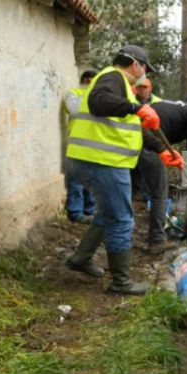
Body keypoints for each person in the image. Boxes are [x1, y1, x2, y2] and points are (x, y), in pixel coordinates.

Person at [65, 44, 161, 295]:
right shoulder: (113, 77)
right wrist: (137, 108)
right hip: (103, 162)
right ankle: (121, 281)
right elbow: (99, 102)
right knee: (121, 219)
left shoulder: (119, 85)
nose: (144, 74)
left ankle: (80, 258)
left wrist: (163, 151)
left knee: (109, 213)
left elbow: (131, 128)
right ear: (135, 64)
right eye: (144, 68)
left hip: (91, 159)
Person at [132, 95, 187, 254]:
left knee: (131, 191)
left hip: (131, 139)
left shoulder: (176, 105)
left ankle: (123, 235)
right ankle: (156, 241)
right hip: (149, 143)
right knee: (159, 193)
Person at [63, 70, 97, 224]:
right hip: (76, 146)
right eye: (86, 80)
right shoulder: (73, 94)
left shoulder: (100, 98)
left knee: (91, 181)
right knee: (76, 182)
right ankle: (75, 212)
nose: (89, 83)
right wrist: (91, 94)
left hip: (95, 146)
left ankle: (89, 210)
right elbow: (74, 109)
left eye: (92, 81)